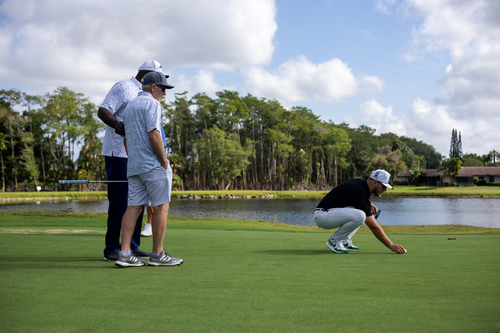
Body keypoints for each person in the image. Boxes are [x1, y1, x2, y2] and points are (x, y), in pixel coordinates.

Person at [98, 60, 165, 262]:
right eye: (159, 79)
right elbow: (103, 110)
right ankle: (112, 248)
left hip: (137, 155)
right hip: (118, 153)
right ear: (148, 75)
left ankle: (131, 247)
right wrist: (116, 124)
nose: (162, 85)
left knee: (138, 201)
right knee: (120, 202)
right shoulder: (123, 87)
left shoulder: (147, 96)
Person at [115, 71, 183, 267]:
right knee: (162, 206)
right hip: (152, 166)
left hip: (134, 166)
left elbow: (126, 139)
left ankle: (125, 254)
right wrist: (163, 161)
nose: (164, 94)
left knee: (133, 208)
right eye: (163, 89)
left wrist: (134, 159)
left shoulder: (129, 107)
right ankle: (157, 254)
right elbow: (154, 134)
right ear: (153, 88)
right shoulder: (152, 104)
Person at [314, 169, 406, 254]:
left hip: (327, 213)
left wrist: (369, 203)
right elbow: (374, 227)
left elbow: (353, 195)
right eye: (384, 186)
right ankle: (334, 240)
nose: (385, 190)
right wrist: (391, 245)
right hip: (323, 215)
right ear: (375, 182)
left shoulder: (360, 184)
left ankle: (344, 240)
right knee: (361, 215)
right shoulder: (359, 191)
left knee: (361, 213)